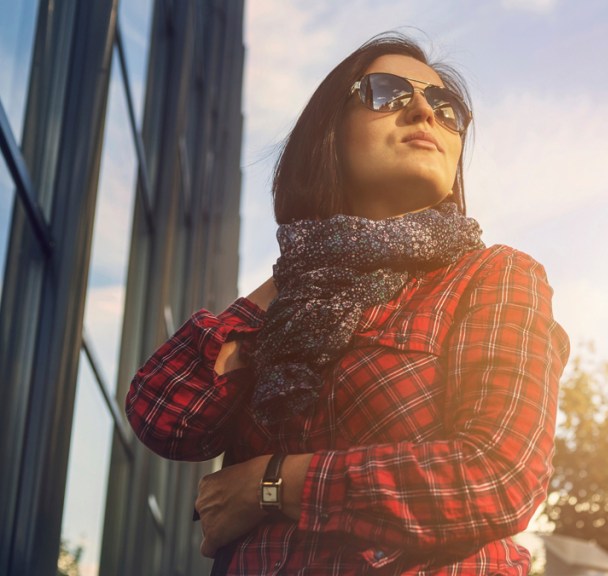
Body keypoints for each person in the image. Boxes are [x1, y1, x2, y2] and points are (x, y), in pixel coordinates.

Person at [126, 32, 569, 575]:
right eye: (387, 93)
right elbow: (167, 419)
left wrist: (271, 484)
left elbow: (498, 476)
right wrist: (299, 271)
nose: (426, 112)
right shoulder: (295, 297)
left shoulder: (493, 276)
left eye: (447, 107)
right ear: (328, 133)